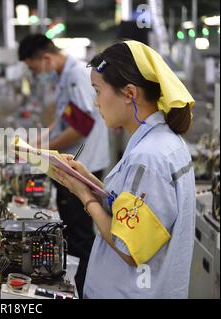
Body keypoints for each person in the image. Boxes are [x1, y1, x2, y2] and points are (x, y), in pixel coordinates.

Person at [51, 40, 196, 298]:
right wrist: (90, 183)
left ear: (129, 94)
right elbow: (134, 212)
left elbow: (128, 246)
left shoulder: (149, 157)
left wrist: (83, 196)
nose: (96, 103)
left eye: (97, 91)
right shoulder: (162, 142)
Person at [18, 34, 110, 297]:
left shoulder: (75, 75)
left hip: (81, 167)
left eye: (35, 69)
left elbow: (82, 126)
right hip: (74, 165)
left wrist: (46, 151)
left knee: (79, 239)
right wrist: (41, 139)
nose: (37, 74)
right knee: (73, 232)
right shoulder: (65, 75)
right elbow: (66, 117)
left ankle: (86, 290)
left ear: (46, 58)